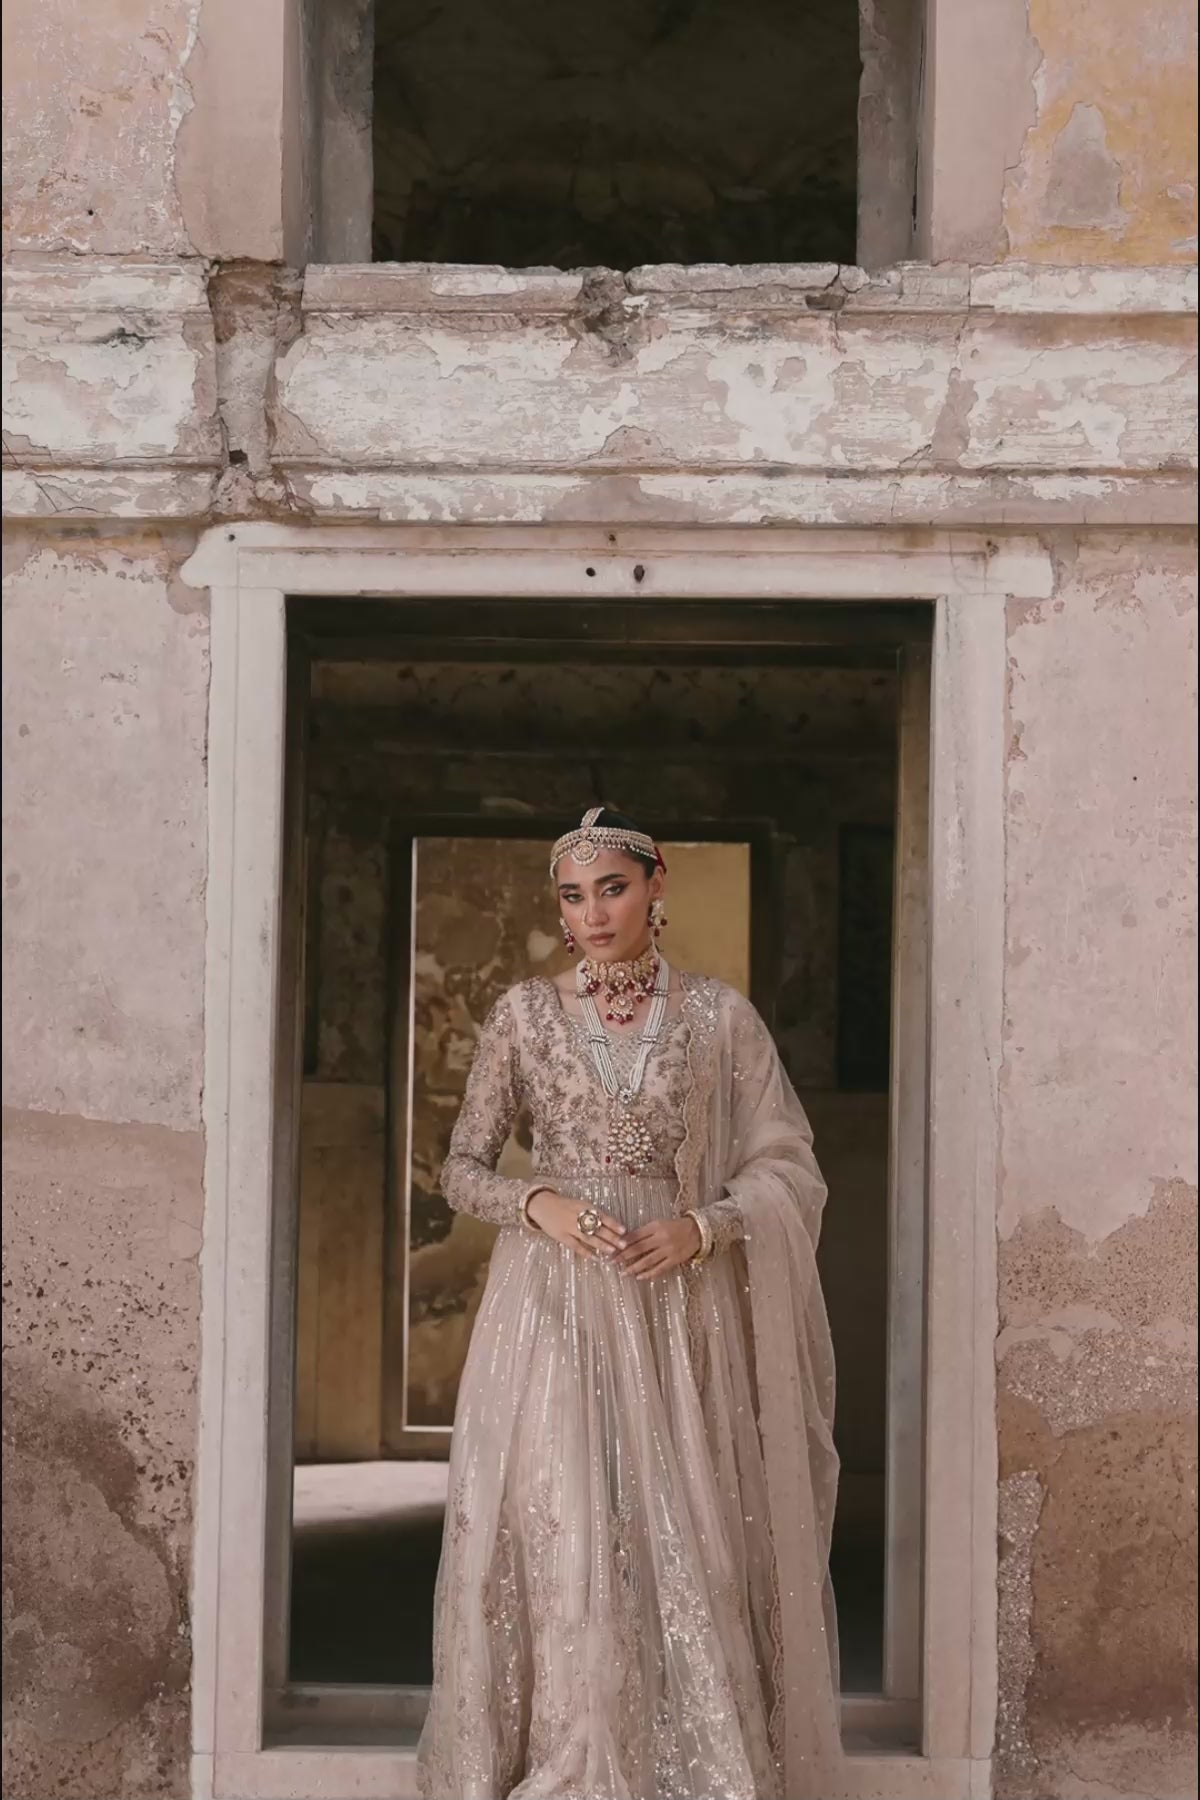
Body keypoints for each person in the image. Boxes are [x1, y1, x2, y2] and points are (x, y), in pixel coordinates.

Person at [417, 807, 841, 1800]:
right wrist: (539, 1202)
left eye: (612, 888)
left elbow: (789, 1164)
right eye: (574, 897)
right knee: (564, 1514)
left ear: (656, 887)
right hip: (550, 1297)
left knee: (681, 1525)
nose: (594, 913)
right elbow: (460, 1168)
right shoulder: (523, 1016)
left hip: (674, 1300)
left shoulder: (718, 1017)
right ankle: (573, 1755)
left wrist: (708, 1225)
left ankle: (678, 1759)